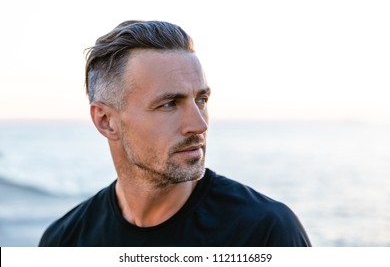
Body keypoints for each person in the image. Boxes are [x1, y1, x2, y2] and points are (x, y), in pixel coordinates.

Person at [39, 20, 311, 247]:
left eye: (201, 100)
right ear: (106, 121)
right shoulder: (64, 241)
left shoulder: (264, 232)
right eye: (169, 104)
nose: (199, 125)